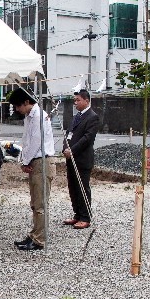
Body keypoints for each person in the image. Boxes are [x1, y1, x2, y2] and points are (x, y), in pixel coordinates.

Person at [8, 87, 56, 251]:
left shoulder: (39, 116)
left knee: (40, 203)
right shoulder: (30, 117)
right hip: (35, 161)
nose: (17, 109)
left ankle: (39, 239)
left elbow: (36, 142)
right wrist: (23, 159)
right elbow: (26, 140)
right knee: (35, 203)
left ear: (27, 102)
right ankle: (34, 234)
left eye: (18, 106)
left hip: (42, 161)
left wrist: (25, 161)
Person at [62, 89, 100, 229]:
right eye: (75, 100)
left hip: (82, 159)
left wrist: (72, 150)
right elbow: (68, 133)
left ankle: (85, 217)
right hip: (70, 158)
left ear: (86, 101)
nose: (76, 103)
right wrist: (65, 147)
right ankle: (77, 214)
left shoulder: (92, 117)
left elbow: (87, 138)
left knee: (82, 187)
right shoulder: (77, 116)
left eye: (78, 100)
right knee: (73, 187)